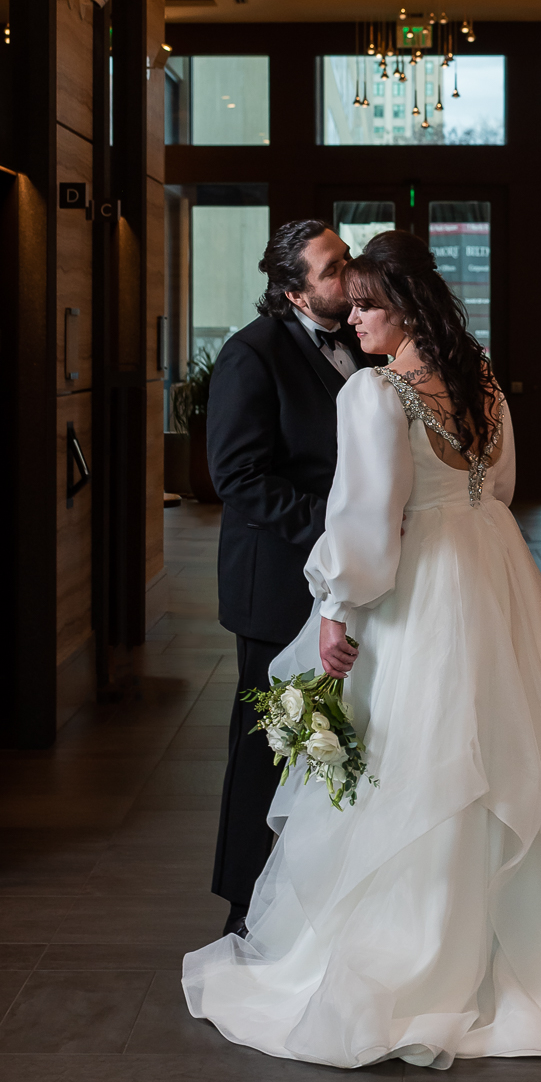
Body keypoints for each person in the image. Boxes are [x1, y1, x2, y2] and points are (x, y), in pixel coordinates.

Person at [185, 230, 541, 1082]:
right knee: (504, 746)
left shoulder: (377, 397)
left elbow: (366, 528)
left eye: (368, 304)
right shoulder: (484, 381)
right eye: (348, 300)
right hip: (496, 587)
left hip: (422, 593)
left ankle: (423, 953)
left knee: (416, 756)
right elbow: (496, 492)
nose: (355, 315)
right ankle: (520, 937)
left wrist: (338, 611)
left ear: (405, 306)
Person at [205, 219, 378, 939]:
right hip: (276, 582)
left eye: (345, 258)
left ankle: (313, 894)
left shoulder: (361, 346)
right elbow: (237, 477)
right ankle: (244, 905)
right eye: (333, 267)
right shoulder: (252, 355)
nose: (350, 272)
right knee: (266, 745)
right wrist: (335, 524)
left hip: (340, 580)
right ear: (293, 290)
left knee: (332, 738)